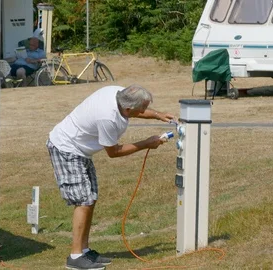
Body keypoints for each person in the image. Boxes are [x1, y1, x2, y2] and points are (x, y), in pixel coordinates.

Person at [46, 84, 176, 270]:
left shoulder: (120, 93)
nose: (145, 111)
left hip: (81, 151)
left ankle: (84, 250)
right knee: (83, 201)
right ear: (130, 108)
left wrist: (158, 115)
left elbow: (135, 110)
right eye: (143, 109)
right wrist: (146, 143)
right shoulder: (108, 117)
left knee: (90, 199)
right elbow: (114, 152)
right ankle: (75, 257)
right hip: (66, 148)